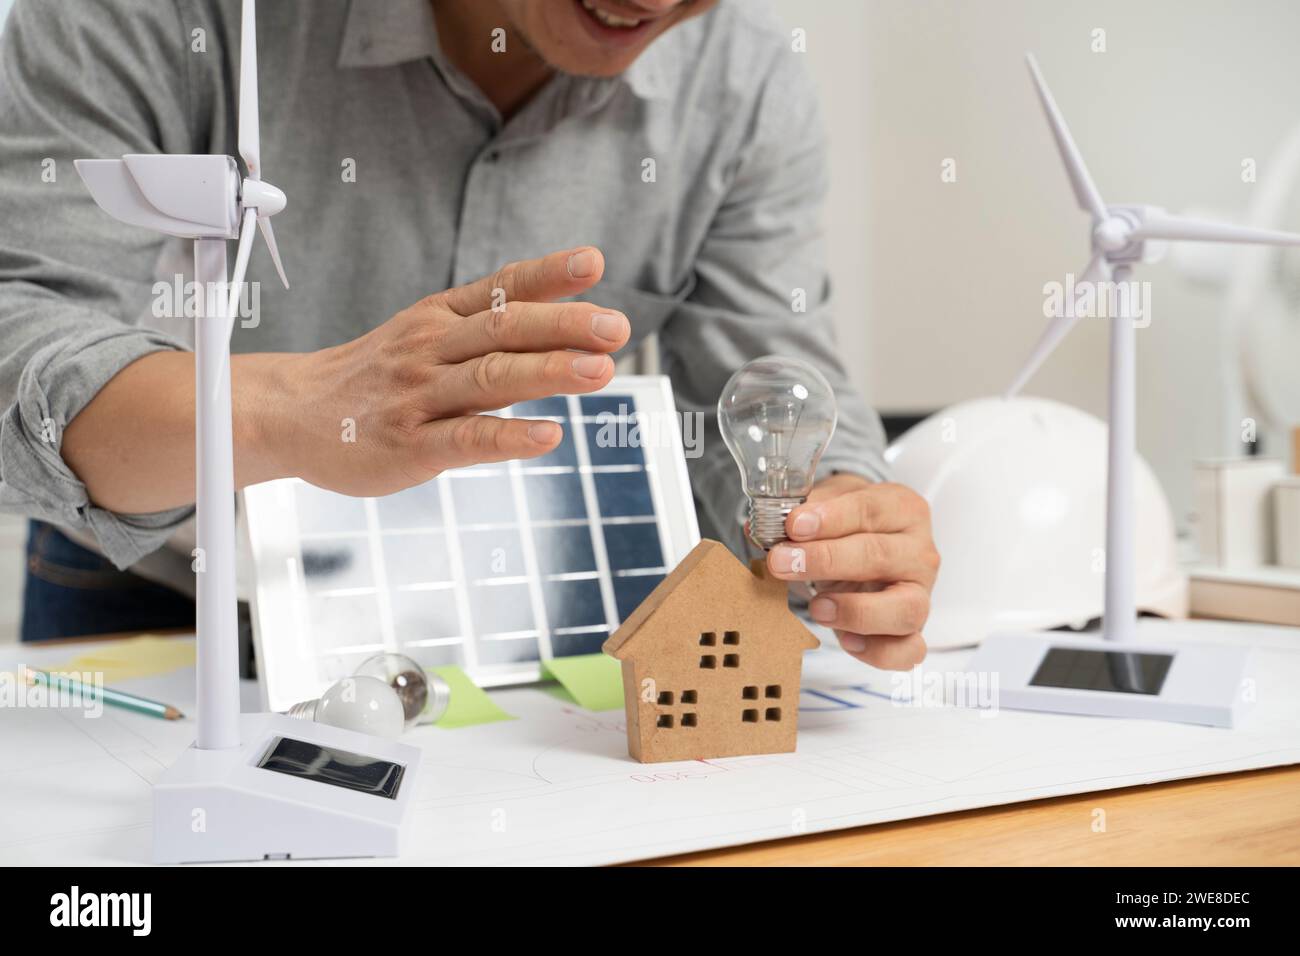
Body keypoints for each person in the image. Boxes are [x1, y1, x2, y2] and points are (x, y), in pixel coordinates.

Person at [0, 0, 938, 669]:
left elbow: (770, 371)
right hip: (172, 602)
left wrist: (839, 515)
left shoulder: (745, 81)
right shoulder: (159, 14)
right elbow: (22, 324)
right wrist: (290, 412)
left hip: (533, 623)